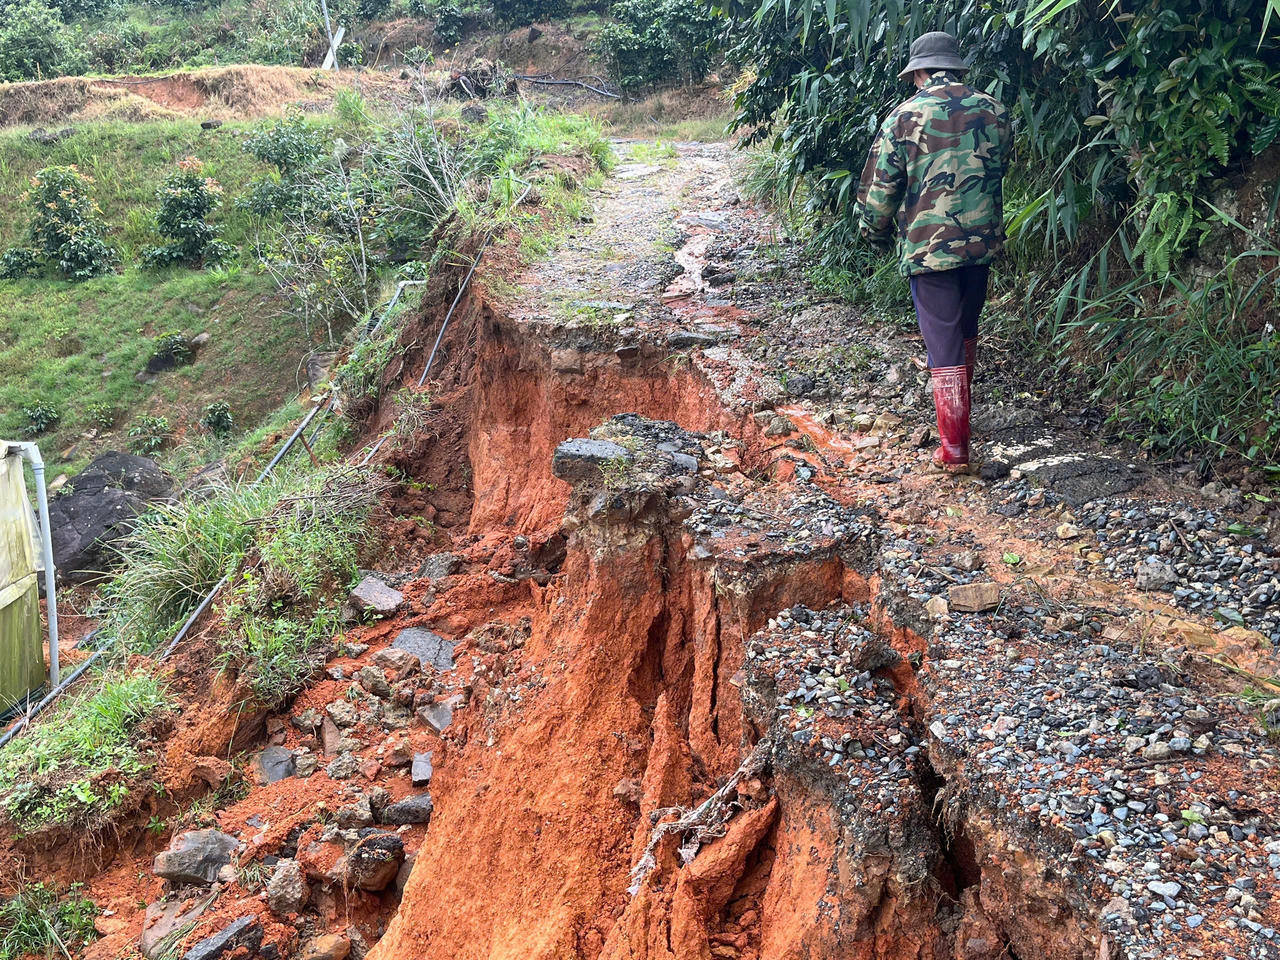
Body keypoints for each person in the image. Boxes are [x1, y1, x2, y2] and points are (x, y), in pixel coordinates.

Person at [857, 31, 1011, 472]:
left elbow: (881, 189)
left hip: (930, 248)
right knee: (965, 329)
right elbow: (999, 166)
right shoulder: (994, 110)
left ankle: (955, 448)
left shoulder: (904, 116)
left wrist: (876, 234)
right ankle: (961, 429)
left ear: (920, 72)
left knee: (942, 339)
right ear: (957, 67)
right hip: (980, 243)